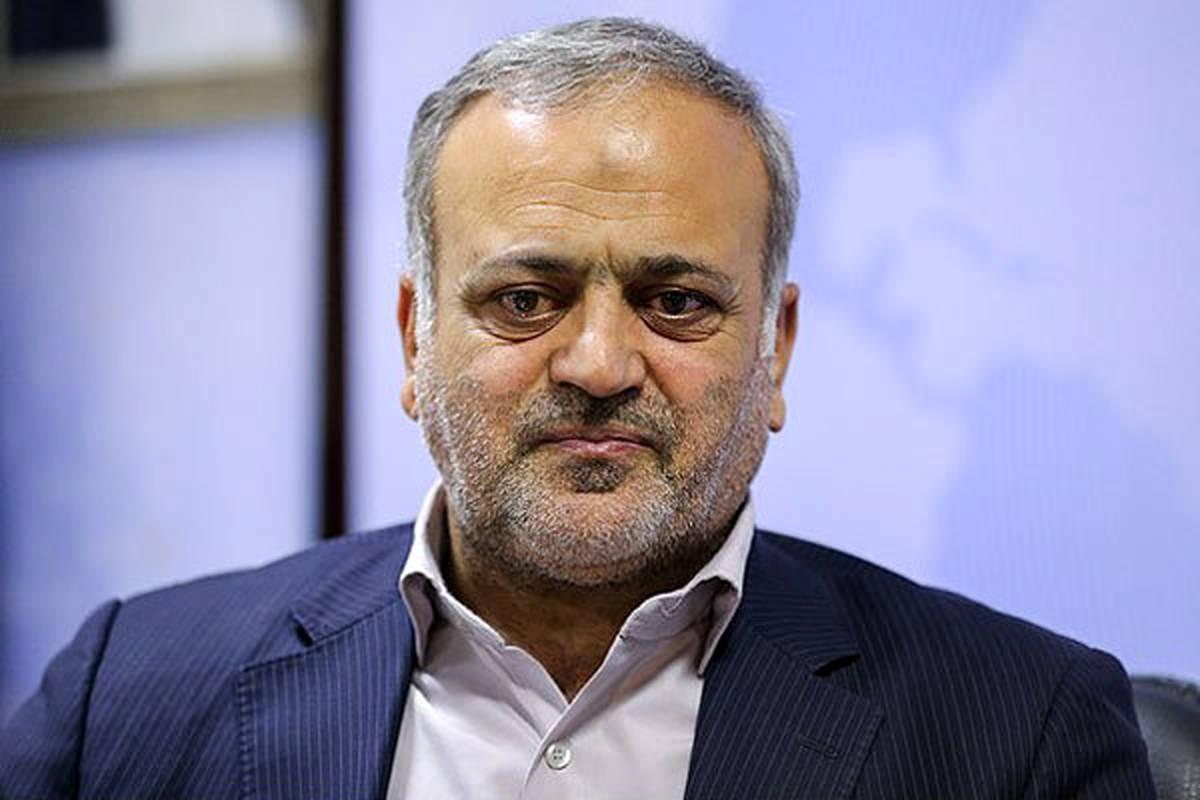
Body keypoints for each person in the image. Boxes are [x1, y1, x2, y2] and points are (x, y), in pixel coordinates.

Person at [1, 17, 1153, 799]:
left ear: (777, 351)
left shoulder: (1022, 735)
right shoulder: (124, 699)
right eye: (525, 298)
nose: (600, 364)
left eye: (676, 301)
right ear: (413, 338)